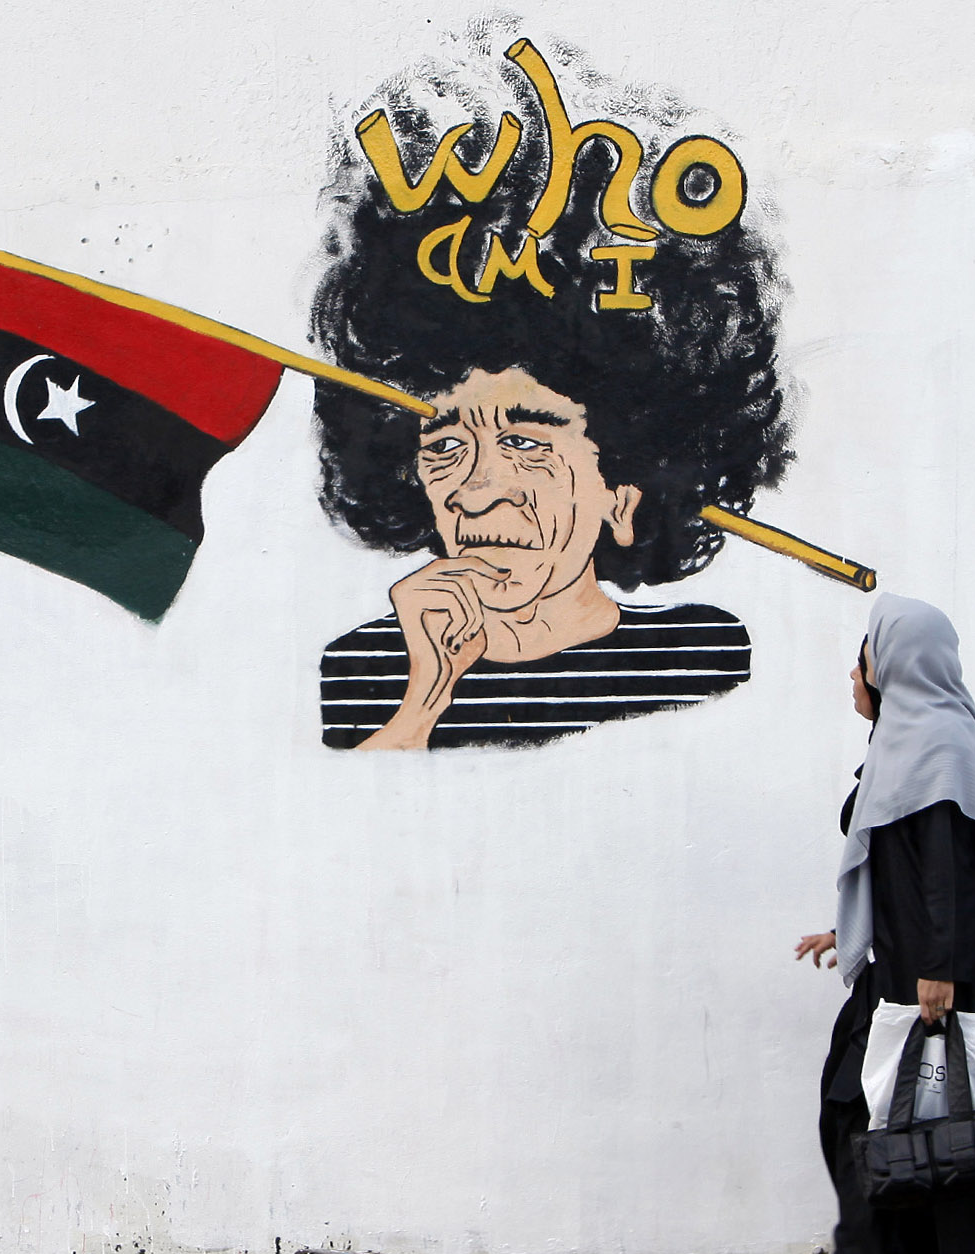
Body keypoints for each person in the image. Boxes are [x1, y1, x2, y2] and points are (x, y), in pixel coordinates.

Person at [309, 41, 792, 750]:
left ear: (622, 496)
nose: (476, 492)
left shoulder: (704, 662)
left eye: (526, 442)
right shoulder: (363, 672)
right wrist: (421, 703)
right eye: (444, 444)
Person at [778, 595, 975, 1254]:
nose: (853, 671)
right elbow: (902, 864)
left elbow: (945, 865)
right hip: (911, 956)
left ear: (894, 664)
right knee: (878, 1104)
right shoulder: (905, 742)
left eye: (863, 655)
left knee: (963, 1115)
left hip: (948, 966)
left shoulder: (937, 741)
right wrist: (852, 927)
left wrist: (939, 966)